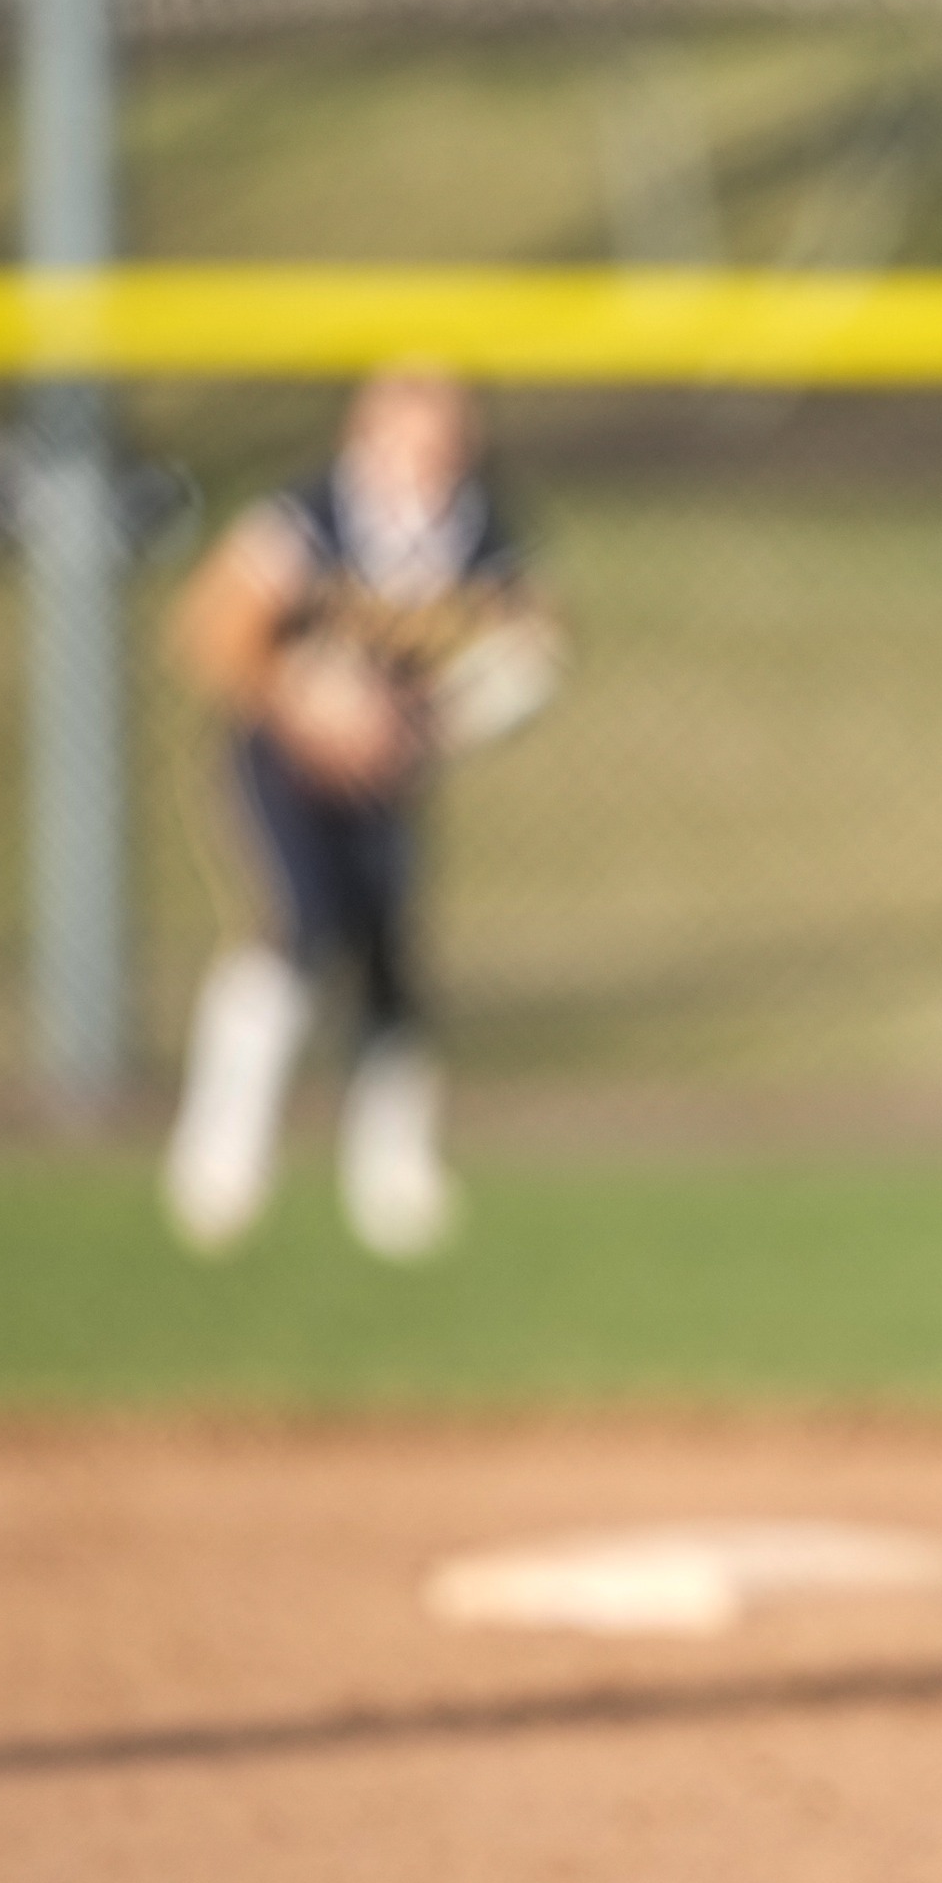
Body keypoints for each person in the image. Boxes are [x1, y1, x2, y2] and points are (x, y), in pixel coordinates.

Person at [159, 366, 561, 1261]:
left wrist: (448, 716)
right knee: (300, 929)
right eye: (413, 435)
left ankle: (393, 1168)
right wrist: (305, 702)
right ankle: (223, 1147)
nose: (433, 456)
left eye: (448, 436)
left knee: (388, 955)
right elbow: (210, 626)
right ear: (366, 435)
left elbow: (534, 643)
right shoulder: (314, 515)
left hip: (388, 776)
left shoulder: (478, 526)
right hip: (284, 762)